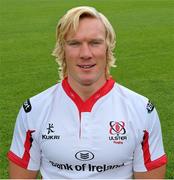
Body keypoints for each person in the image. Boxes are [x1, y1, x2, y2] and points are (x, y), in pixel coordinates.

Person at [7, 6, 167, 179]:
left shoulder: (142, 110)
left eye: (95, 43)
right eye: (74, 43)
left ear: (107, 47)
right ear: (63, 50)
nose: (85, 54)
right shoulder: (33, 110)